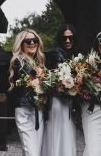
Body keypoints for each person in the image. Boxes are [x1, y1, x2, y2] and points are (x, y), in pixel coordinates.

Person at [41, 24, 78, 156]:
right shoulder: (57, 54)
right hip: (57, 99)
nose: (67, 41)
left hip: (69, 100)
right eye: (64, 38)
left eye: (70, 38)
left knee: (67, 129)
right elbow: (51, 79)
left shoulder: (75, 54)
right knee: (58, 129)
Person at [8, 29, 45, 156]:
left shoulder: (38, 63)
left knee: (32, 151)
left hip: (37, 110)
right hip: (25, 111)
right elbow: (29, 82)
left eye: (35, 40)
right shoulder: (18, 61)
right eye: (28, 41)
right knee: (32, 152)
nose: (32, 43)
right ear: (21, 44)